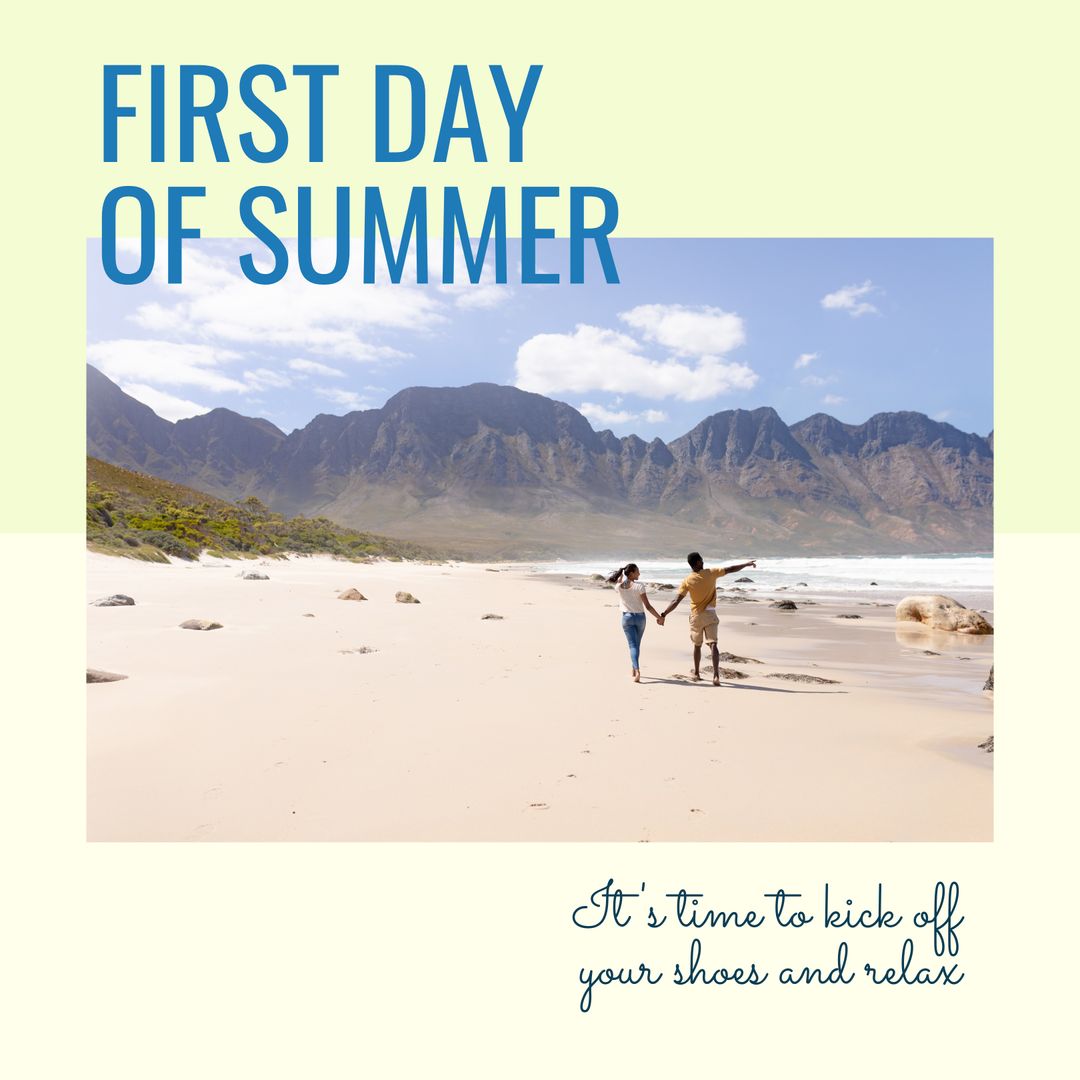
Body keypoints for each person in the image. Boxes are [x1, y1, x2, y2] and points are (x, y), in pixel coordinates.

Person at [657, 552, 757, 685]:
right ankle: (716, 676)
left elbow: (676, 600)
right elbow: (731, 569)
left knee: (697, 646)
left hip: (696, 616)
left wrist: (664, 614)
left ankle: (697, 673)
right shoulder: (711, 573)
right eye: (701, 560)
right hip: (710, 614)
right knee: (713, 644)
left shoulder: (687, 580)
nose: (703, 562)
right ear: (697, 562)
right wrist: (746, 564)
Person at [607, 563, 663, 683]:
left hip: (626, 618)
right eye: (637, 571)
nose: (639, 573)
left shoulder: (619, 587)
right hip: (640, 618)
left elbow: (618, 582)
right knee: (636, 645)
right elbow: (648, 606)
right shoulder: (639, 587)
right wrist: (659, 617)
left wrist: (621, 576)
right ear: (631, 573)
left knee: (633, 645)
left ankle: (635, 669)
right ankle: (636, 670)